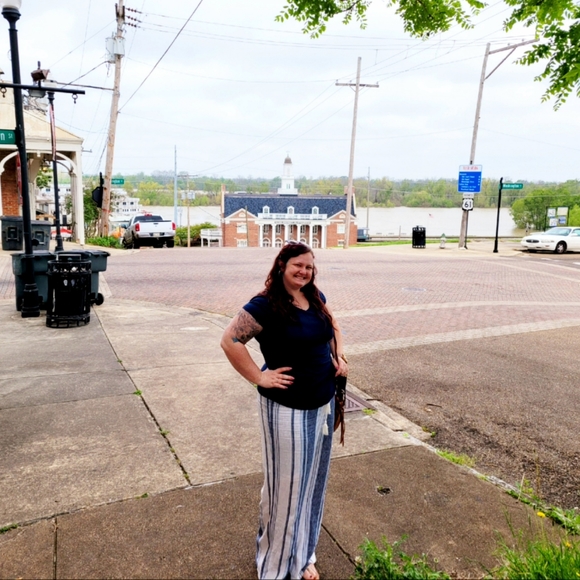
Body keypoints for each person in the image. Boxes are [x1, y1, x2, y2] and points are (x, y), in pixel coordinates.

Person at [220, 241, 348, 580]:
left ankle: (303, 554)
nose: (304, 271)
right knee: (285, 489)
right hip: (286, 409)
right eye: (298, 265)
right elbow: (230, 340)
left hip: (322, 403)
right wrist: (259, 377)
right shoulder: (266, 305)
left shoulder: (314, 297)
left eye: (309, 266)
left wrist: (339, 356)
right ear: (282, 266)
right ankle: (275, 568)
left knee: (312, 484)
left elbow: (333, 326)